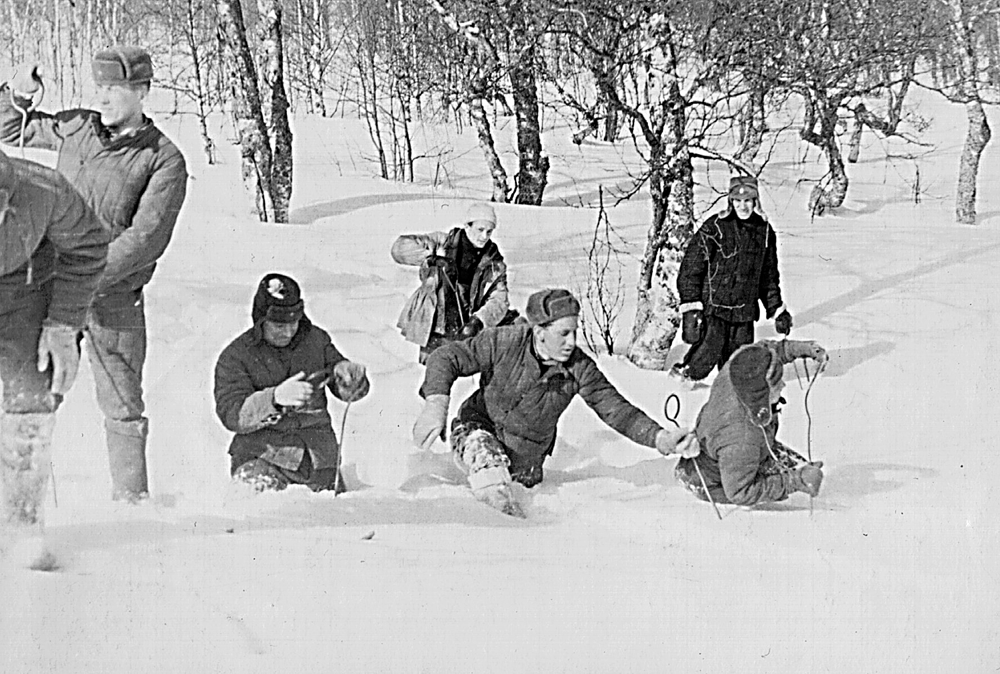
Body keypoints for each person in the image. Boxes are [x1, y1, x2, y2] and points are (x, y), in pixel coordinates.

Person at [1, 47, 189, 502]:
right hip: (51, 290)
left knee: (122, 405)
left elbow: (145, 238)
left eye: (116, 89)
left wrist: (84, 280)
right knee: (35, 395)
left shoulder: (164, 159)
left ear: (142, 92)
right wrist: (18, 94)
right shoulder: (76, 126)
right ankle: (21, 511)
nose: (103, 97)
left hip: (115, 298)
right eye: (100, 88)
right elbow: (9, 128)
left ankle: (131, 504)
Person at [412, 288, 699, 517]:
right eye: (563, 333)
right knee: (488, 470)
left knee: (511, 495)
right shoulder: (504, 341)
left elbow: (617, 410)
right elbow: (446, 357)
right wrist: (436, 403)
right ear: (539, 332)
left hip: (525, 460)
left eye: (575, 332)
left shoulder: (579, 368)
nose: (572, 342)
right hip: (477, 428)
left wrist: (661, 438)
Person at [0, 149, 109, 564]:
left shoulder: (43, 190)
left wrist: (64, 323)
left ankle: (21, 526)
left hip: (23, 294)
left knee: (31, 401)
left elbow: (88, 247)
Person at [214, 274, 370, 493]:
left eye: (293, 323)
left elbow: (347, 390)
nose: (288, 332)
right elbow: (233, 415)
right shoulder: (235, 356)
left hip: (320, 464)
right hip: (263, 460)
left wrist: (349, 377)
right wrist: (274, 399)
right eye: (278, 326)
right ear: (261, 320)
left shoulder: (316, 340)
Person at [674, 339, 828, 507]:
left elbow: (760, 352)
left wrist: (801, 349)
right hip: (714, 482)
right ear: (760, 395)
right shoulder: (742, 435)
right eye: (776, 385)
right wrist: (794, 482)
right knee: (798, 477)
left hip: (733, 455)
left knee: (801, 468)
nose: (783, 385)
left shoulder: (738, 370)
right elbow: (740, 492)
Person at [674, 175, 792, 382]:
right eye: (737, 201)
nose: (742, 206)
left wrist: (777, 310)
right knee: (703, 356)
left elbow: (768, 277)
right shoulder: (716, 226)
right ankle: (679, 389)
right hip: (714, 308)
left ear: (755, 201)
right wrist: (691, 307)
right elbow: (691, 268)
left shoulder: (764, 232)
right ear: (730, 201)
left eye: (747, 200)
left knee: (738, 367)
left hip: (744, 314)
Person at [392, 202, 513, 364]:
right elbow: (399, 250)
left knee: (461, 371)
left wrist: (479, 321)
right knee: (433, 368)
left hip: (465, 325)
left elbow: (499, 299)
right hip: (435, 321)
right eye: (480, 230)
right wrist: (432, 258)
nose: (484, 236)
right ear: (467, 226)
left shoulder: (494, 262)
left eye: (489, 231)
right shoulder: (444, 243)